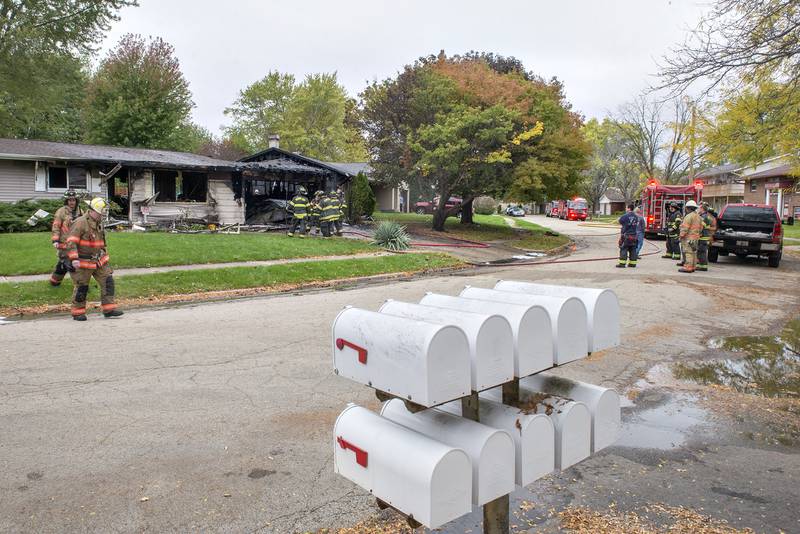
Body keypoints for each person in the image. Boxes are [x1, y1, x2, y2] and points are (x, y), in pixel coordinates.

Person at [65, 198, 122, 321]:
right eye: (100, 213)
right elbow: (71, 242)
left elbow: (101, 241)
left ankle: (109, 309)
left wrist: (103, 253)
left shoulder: (98, 221)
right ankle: (78, 312)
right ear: (92, 211)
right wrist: (74, 258)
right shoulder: (80, 223)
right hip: (82, 261)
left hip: (98, 260)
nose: (102, 216)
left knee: (108, 281)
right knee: (82, 287)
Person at [49, 189, 84, 286]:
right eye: (69, 200)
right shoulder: (61, 212)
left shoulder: (80, 211)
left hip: (76, 244)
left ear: (76, 200)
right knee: (72, 264)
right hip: (64, 244)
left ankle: (54, 281)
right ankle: (81, 286)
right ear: (66, 201)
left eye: (73, 200)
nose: (71, 202)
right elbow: (56, 226)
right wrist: (55, 240)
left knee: (63, 263)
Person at [678, 200, 703, 273]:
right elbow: (701, 227)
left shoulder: (688, 216)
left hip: (689, 238)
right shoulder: (698, 216)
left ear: (687, 208)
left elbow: (685, 228)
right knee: (694, 252)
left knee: (688, 252)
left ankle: (688, 267)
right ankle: (693, 267)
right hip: (695, 237)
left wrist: (681, 235)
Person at [696, 202, 718, 272]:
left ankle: (703, 267)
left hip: (703, 237)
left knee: (702, 252)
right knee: (700, 252)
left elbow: (701, 227)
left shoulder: (704, 217)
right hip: (703, 237)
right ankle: (700, 265)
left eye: (699, 208)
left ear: (702, 209)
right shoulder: (704, 216)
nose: (698, 209)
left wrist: (697, 233)